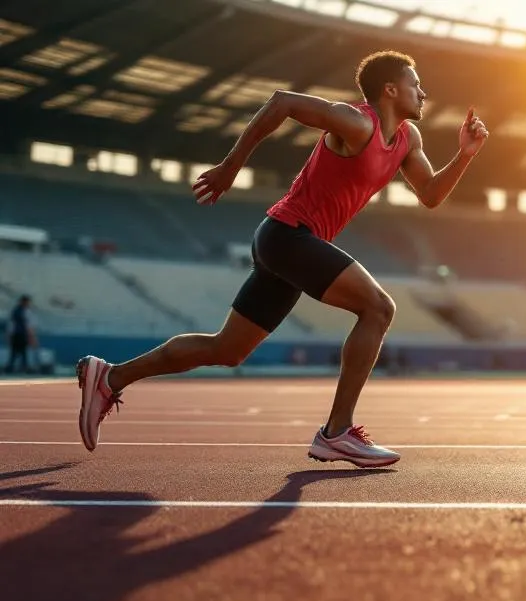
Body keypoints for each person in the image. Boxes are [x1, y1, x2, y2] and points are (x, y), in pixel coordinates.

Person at [75, 51, 489, 467]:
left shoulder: (406, 141)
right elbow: (282, 102)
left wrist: (466, 154)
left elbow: (431, 195)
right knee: (378, 308)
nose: (424, 92)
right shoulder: (356, 122)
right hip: (287, 236)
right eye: (416, 84)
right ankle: (337, 432)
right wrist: (230, 167)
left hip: (289, 247)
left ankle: (111, 376)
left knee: (228, 350)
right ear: (390, 89)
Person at [7, 295, 37, 374]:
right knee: (21, 352)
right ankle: (23, 368)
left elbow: (11, 325)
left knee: (16, 353)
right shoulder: (25, 311)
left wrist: (9, 335)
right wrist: (32, 337)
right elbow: (28, 326)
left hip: (17, 334)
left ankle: (12, 368)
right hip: (21, 334)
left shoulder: (16, 311)